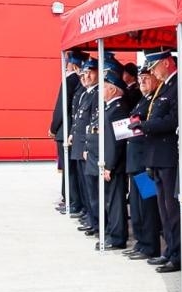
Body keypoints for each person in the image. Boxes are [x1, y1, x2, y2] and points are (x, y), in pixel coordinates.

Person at [131, 50, 182, 273]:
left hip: (167, 156)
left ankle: (176, 254)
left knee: (171, 210)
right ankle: (169, 250)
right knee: (163, 210)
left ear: (167, 63)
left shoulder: (177, 85)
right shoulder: (163, 87)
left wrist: (145, 126)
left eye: (154, 68)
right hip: (152, 158)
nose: (152, 73)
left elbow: (173, 120)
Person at [123, 63, 162, 261]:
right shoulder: (144, 99)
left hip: (144, 161)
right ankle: (141, 242)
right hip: (135, 160)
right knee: (137, 206)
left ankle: (150, 245)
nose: (142, 81)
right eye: (140, 79)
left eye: (146, 77)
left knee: (147, 206)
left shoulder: (154, 100)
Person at [95, 64, 132, 250]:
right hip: (110, 163)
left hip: (116, 165)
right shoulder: (110, 107)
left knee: (116, 201)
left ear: (112, 89)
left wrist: (109, 165)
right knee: (110, 200)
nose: (100, 91)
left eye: (103, 87)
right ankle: (112, 232)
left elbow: (118, 142)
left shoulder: (119, 109)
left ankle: (117, 237)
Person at [51, 50, 87, 215]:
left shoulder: (70, 80)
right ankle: (70, 199)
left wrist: (53, 128)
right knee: (69, 169)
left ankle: (72, 200)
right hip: (70, 130)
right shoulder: (77, 81)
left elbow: (61, 107)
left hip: (66, 130)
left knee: (70, 169)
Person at [72, 59, 102, 237]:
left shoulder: (97, 94)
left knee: (93, 190)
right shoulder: (85, 93)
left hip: (89, 148)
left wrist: (86, 146)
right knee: (86, 188)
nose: (86, 76)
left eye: (90, 72)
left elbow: (94, 123)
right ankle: (91, 219)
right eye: (83, 73)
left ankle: (97, 222)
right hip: (81, 146)